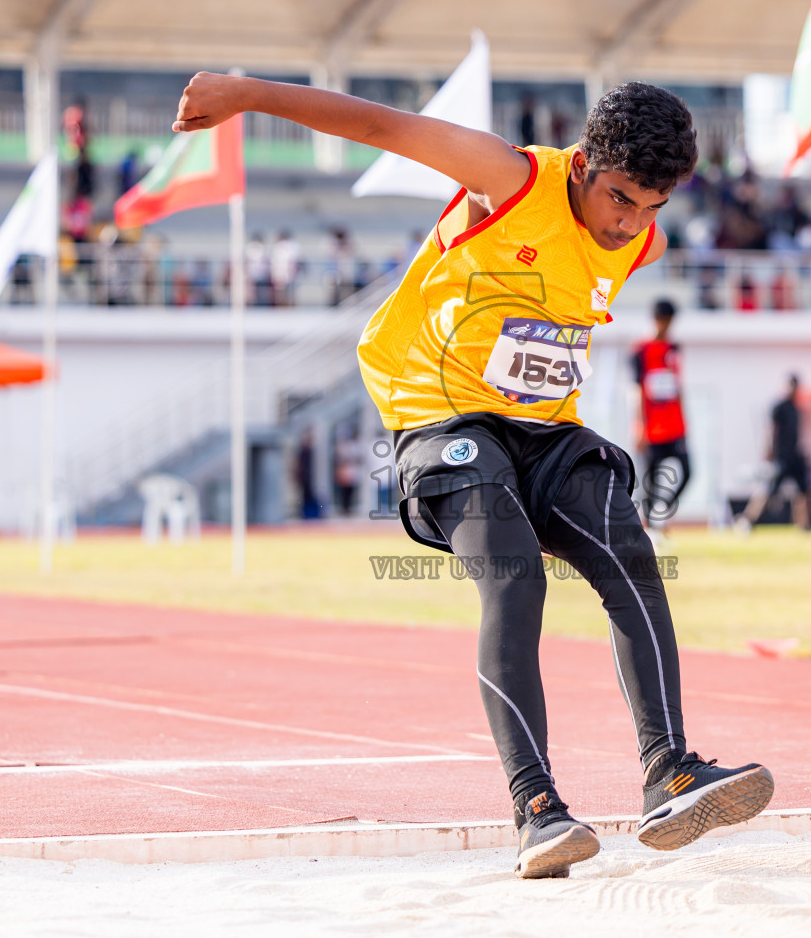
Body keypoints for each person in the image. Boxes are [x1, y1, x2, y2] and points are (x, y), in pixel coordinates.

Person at [172, 73, 773, 878]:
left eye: (650, 208)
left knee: (631, 556)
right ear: (585, 163)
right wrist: (243, 94)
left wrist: (638, 223)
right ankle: (538, 810)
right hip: (439, 416)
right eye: (621, 198)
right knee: (516, 577)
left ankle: (670, 771)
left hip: (544, 431)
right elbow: (380, 125)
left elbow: (605, 264)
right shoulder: (509, 177)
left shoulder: (642, 238)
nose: (628, 223)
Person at [629, 299, 690, 546]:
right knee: (650, 481)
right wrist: (640, 427)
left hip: (676, 426)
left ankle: (662, 512)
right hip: (652, 429)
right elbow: (635, 391)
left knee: (688, 472)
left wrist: (686, 420)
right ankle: (651, 530)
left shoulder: (674, 347)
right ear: (657, 319)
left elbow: (678, 386)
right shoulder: (640, 351)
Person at [738, 374, 810, 531]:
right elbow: (771, 430)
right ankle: (748, 520)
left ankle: (804, 525)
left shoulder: (796, 409)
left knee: (803, 490)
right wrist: (768, 452)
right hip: (780, 456)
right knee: (768, 490)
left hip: (794, 456)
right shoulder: (779, 407)